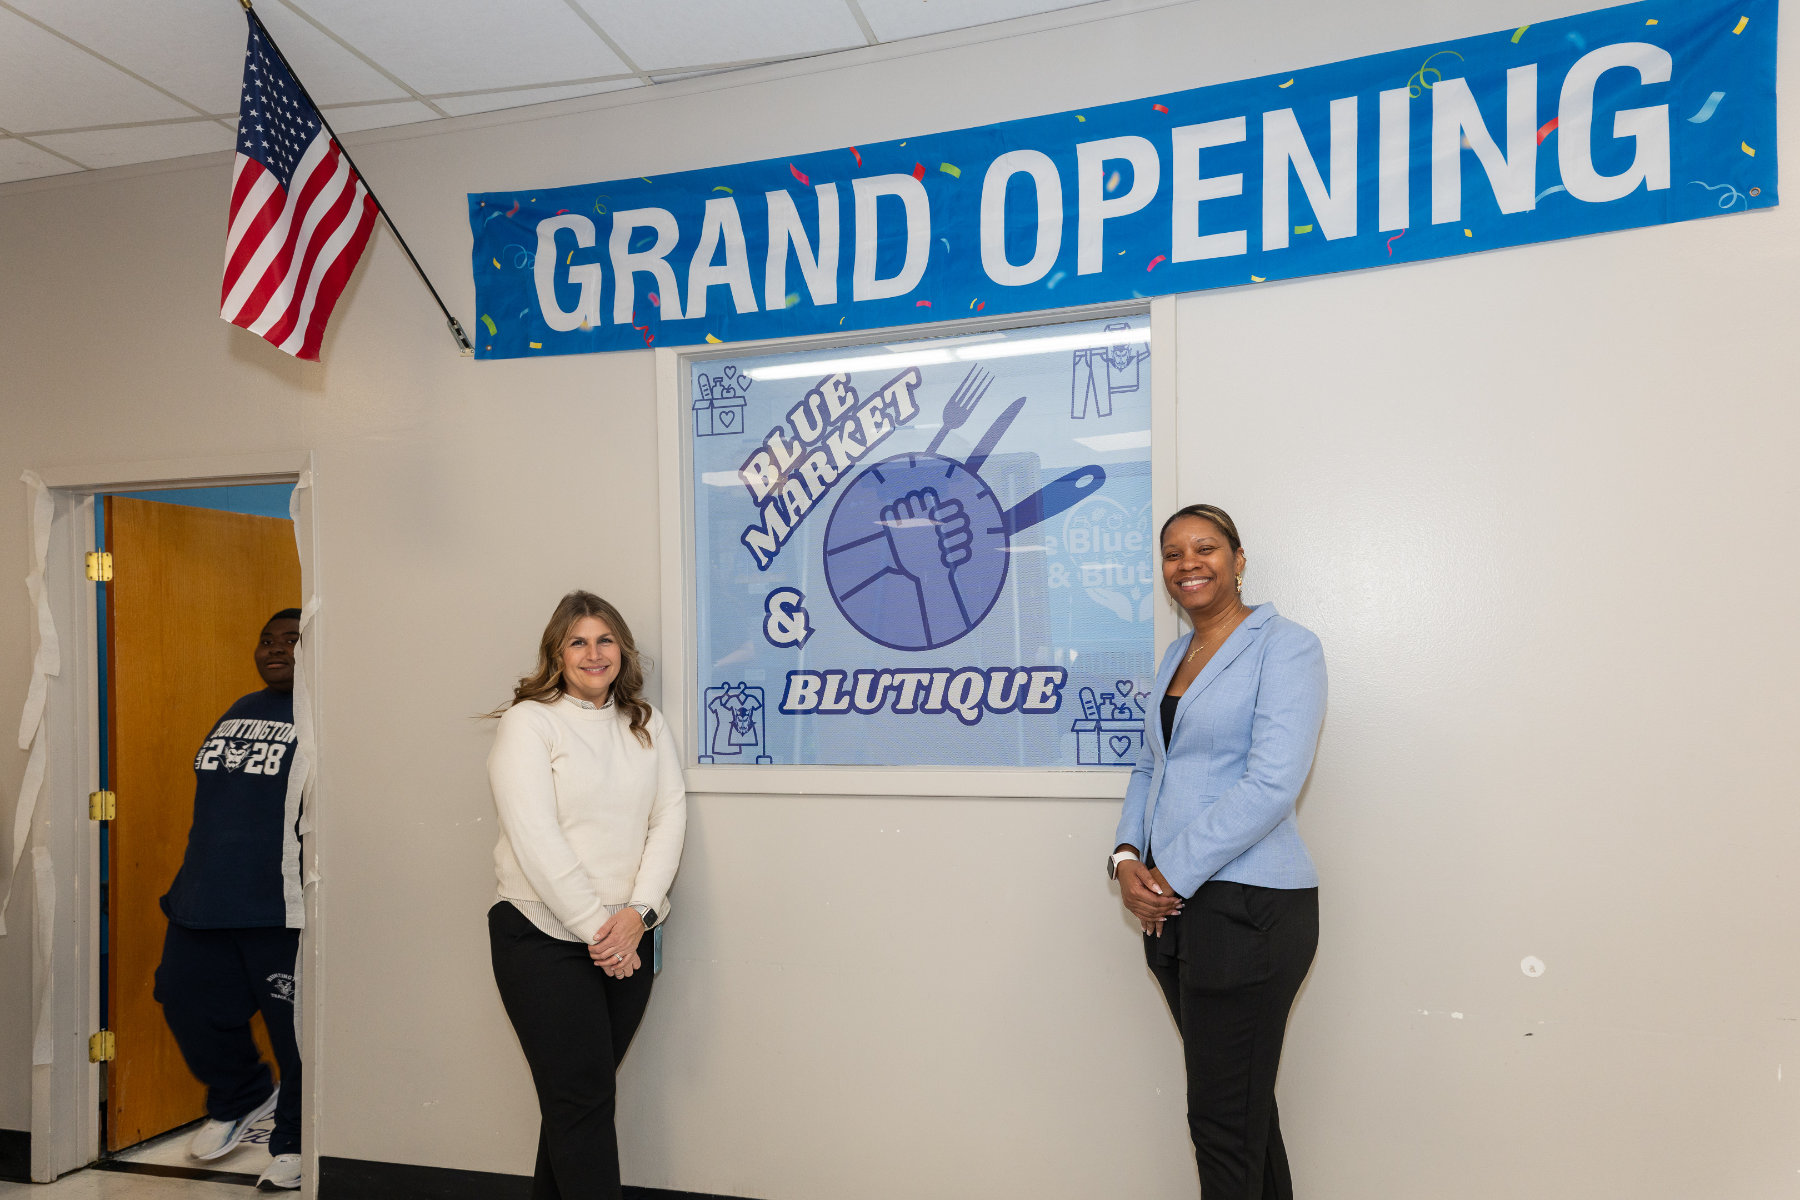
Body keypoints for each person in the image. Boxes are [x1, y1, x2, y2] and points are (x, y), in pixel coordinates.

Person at [1108, 504, 1327, 1199]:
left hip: (1249, 910)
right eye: (1173, 553)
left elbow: (1270, 785)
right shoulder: (1177, 654)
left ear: (1238, 559)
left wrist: (1169, 872)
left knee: (1221, 1123)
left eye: (1205, 548)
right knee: (1240, 1115)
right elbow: (1152, 767)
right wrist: (1125, 860)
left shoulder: (1285, 646)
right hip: (1178, 912)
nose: (1188, 563)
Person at [485, 591, 687, 1200]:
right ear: (556, 652)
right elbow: (534, 836)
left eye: (605, 640)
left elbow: (668, 816)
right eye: (578, 641)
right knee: (582, 1099)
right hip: (542, 933)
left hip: (630, 934)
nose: (593, 653)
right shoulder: (529, 721)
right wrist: (602, 929)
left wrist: (638, 916)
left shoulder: (644, 722)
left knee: (582, 1099)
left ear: (622, 650)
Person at [155, 608, 305, 1191]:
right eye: (266, 641)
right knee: (184, 1000)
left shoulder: (322, 718)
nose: (274, 650)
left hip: (278, 904)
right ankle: (242, 1097)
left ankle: (294, 1143)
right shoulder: (241, 708)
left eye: (291, 641)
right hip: (204, 896)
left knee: (293, 1035)